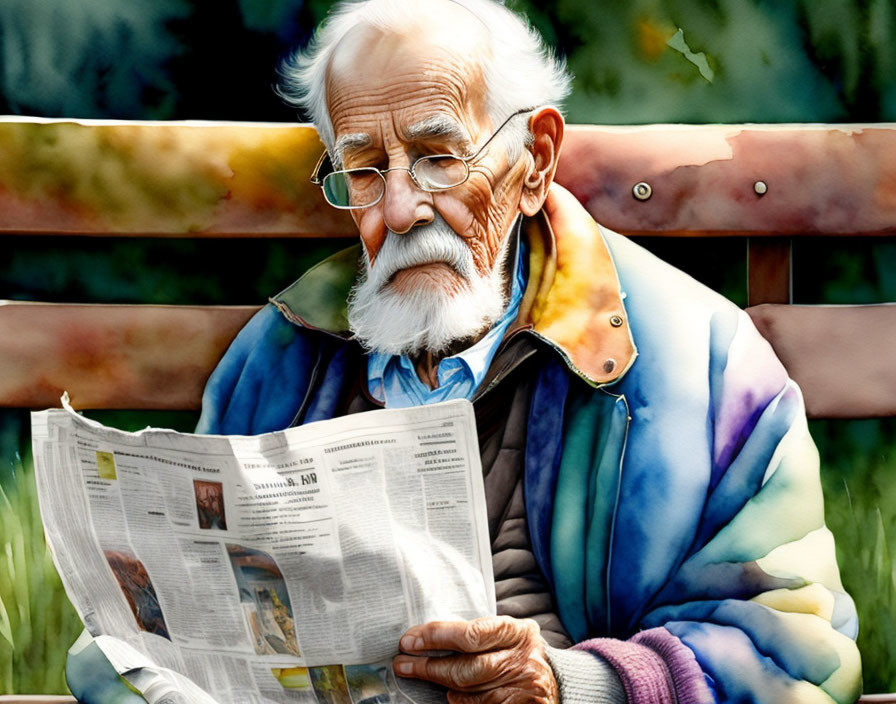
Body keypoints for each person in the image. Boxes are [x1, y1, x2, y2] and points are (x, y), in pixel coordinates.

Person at [69, 0, 862, 702]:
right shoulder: (276, 364)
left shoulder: (703, 362)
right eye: (366, 170)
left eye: (440, 157)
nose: (404, 207)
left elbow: (796, 654)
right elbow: (130, 633)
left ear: (534, 162)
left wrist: (575, 684)